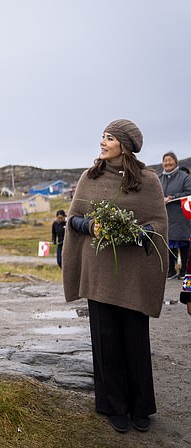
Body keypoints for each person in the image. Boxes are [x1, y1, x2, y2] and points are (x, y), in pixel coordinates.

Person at [62, 120, 168, 434]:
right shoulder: (89, 177)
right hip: (100, 272)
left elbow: (158, 225)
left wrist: (135, 233)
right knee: (105, 339)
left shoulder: (148, 181)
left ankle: (140, 407)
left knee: (135, 339)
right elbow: (73, 220)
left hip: (132, 273)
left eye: (109, 138)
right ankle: (114, 406)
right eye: (103, 137)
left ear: (125, 144)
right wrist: (91, 227)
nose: (102, 142)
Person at [159, 152, 191, 279]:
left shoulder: (184, 177)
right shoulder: (159, 178)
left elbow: (189, 192)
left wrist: (173, 197)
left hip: (181, 215)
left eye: (170, 160)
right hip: (165, 216)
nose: (167, 163)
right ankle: (171, 270)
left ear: (176, 162)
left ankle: (184, 271)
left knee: (183, 243)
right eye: (165, 160)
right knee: (168, 242)